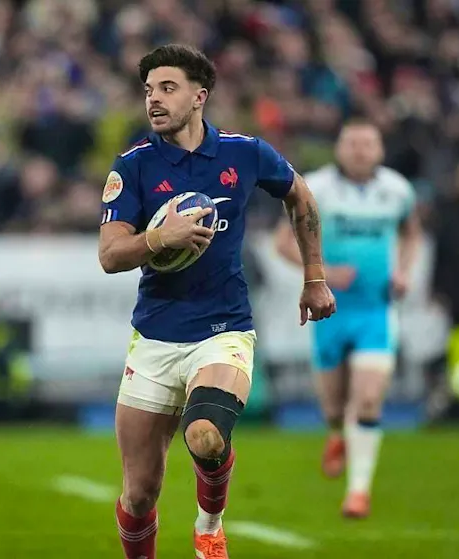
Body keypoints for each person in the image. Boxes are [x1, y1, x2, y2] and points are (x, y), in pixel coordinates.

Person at [98, 44, 336, 559]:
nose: (154, 99)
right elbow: (110, 256)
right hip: (155, 338)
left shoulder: (244, 153)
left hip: (223, 331)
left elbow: (300, 195)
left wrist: (314, 278)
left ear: (199, 96)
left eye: (167, 88)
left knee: (205, 434)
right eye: (148, 90)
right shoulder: (134, 166)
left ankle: (209, 526)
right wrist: (160, 238)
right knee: (139, 494)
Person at [274, 119, 421, 518]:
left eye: (367, 143)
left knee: (368, 401)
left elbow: (411, 233)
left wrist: (403, 272)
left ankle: (358, 493)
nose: (359, 150)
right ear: (338, 148)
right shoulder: (316, 188)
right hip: (329, 313)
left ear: (380, 149)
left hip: (376, 311)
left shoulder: (397, 190)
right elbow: (283, 243)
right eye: (352, 143)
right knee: (336, 408)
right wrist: (323, 274)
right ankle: (336, 433)